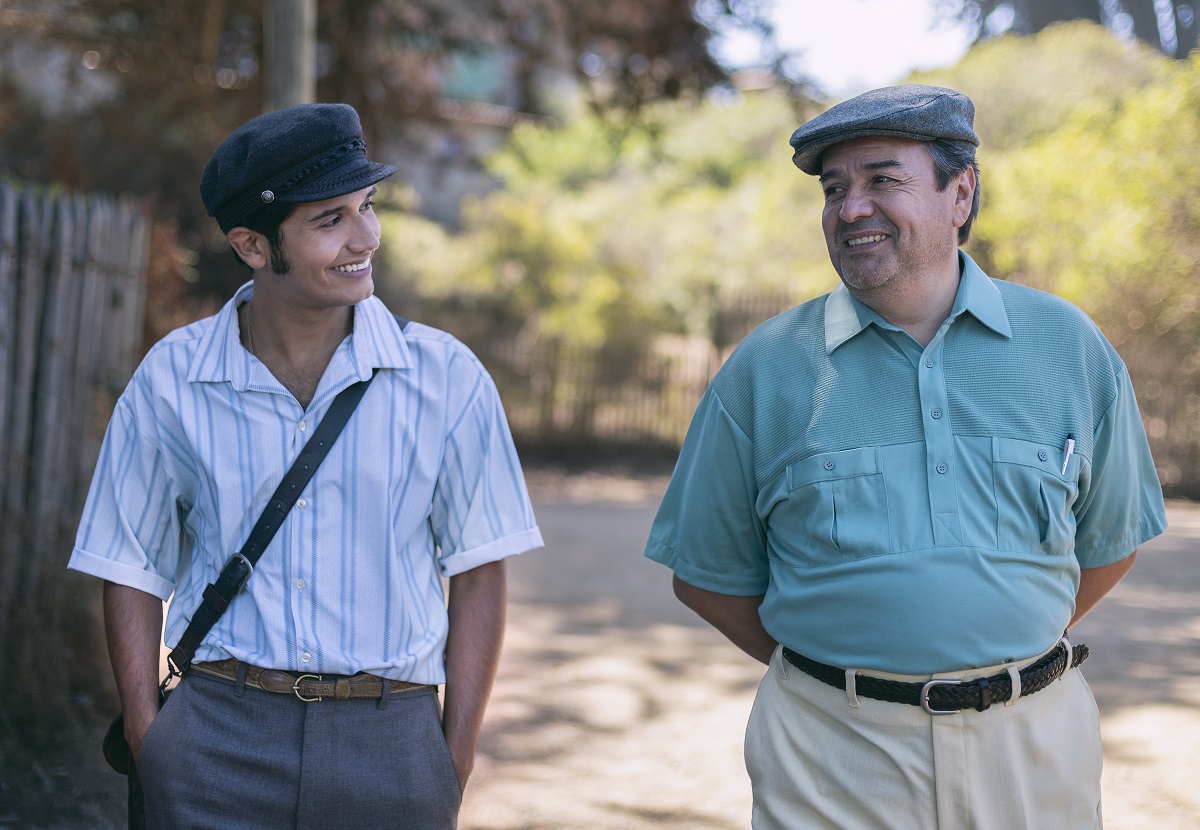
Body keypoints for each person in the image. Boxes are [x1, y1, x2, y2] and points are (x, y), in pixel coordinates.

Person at [644, 84, 1167, 829]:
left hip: (1034, 747)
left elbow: (1111, 546)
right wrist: (843, 677)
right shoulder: (765, 370)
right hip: (830, 755)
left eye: (882, 179)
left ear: (961, 194)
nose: (851, 207)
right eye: (834, 188)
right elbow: (707, 578)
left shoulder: (1069, 347)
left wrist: (992, 656)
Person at [69, 102, 544, 828]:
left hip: (392, 743)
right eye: (331, 220)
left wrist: (452, 758)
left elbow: (480, 569)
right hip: (214, 740)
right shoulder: (172, 378)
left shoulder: (448, 378)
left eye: (368, 207)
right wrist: (149, 735)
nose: (366, 238)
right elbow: (128, 564)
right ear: (253, 246)